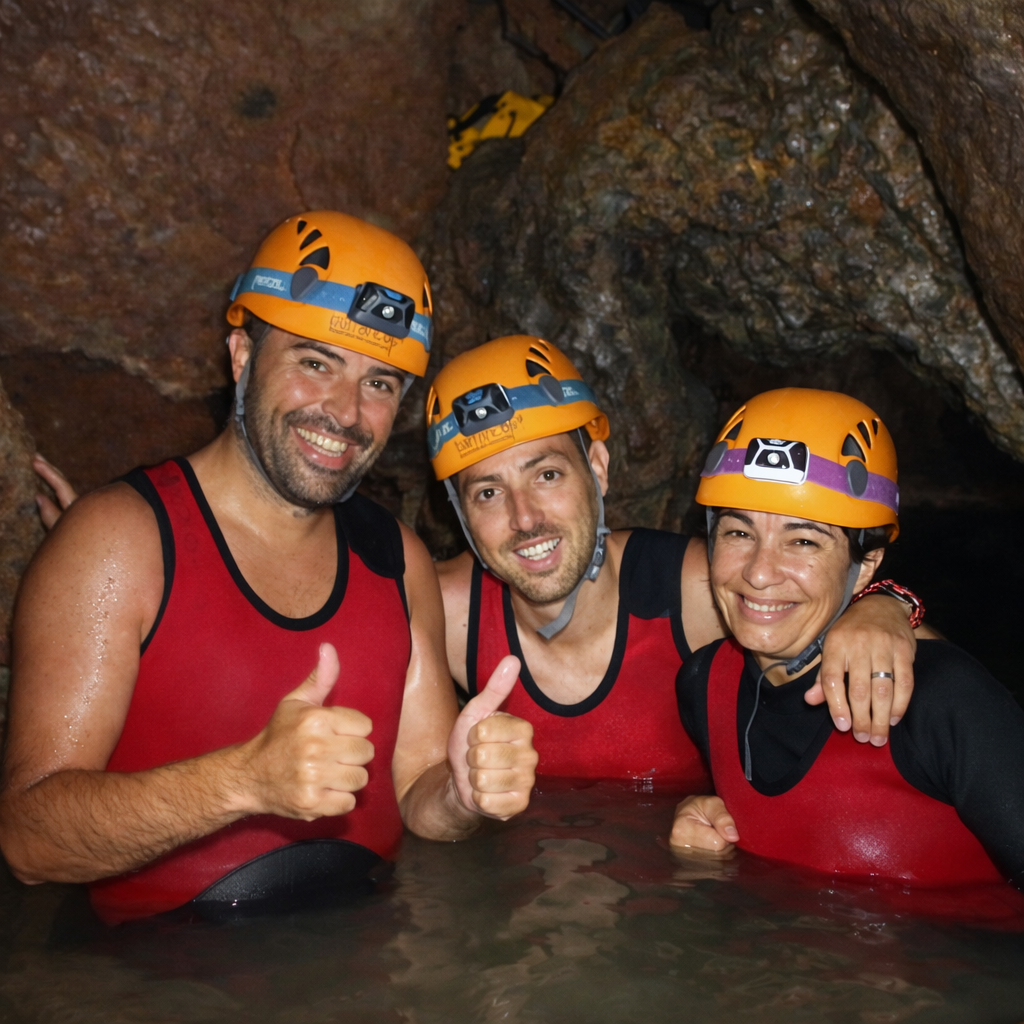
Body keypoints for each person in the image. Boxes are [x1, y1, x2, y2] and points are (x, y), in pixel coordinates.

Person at [0, 211, 538, 925]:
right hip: (159, 981)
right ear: (242, 356)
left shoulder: (395, 558)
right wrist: (244, 781)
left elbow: (418, 795)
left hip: (367, 964)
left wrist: (464, 792)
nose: (346, 412)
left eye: (380, 384)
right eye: (315, 363)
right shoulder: (120, 543)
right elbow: (30, 845)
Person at [427, 337, 927, 788]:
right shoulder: (444, 613)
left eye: (548, 475)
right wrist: (456, 799)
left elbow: (851, 617)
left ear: (598, 469)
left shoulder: (696, 591)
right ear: (460, 513)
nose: (524, 517)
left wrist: (883, 606)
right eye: (489, 492)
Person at [671, 388, 1024, 888]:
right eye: (738, 533)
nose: (759, 573)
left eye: (803, 541)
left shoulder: (943, 700)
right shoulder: (703, 684)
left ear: (866, 567)